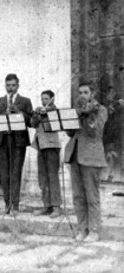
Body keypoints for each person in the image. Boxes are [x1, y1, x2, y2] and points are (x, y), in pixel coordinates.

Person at [64, 82, 108, 242]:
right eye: (80, 92)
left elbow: (94, 131)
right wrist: (75, 115)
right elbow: (69, 132)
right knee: (78, 196)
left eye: (85, 92)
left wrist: (87, 114)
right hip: (75, 155)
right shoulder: (77, 109)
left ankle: (94, 230)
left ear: (92, 94)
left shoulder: (100, 110)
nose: (82, 95)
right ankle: (83, 229)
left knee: (92, 196)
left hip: (91, 157)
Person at [0, 74, 33, 215]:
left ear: (18, 85)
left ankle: (15, 205)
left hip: (18, 141)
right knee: (4, 174)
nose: (11, 88)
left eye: (13, 85)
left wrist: (19, 112)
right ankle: (7, 204)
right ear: (5, 86)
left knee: (16, 173)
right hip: (3, 140)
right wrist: (5, 113)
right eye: (8, 85)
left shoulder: (25, 101)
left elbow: (31, 121)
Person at [31, 90, 62, 218]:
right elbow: (33, 124)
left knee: (52, 177)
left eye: (46, 99)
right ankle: (47, 206)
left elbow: (56, 125)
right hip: (41, 147)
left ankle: (56, 207)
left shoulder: (56, 111)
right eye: (42, 99)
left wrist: (47, 112)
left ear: (52, 99)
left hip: (52, 147)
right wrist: (36, 115)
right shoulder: (40, 110)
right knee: (42, 178)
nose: (44, 101)